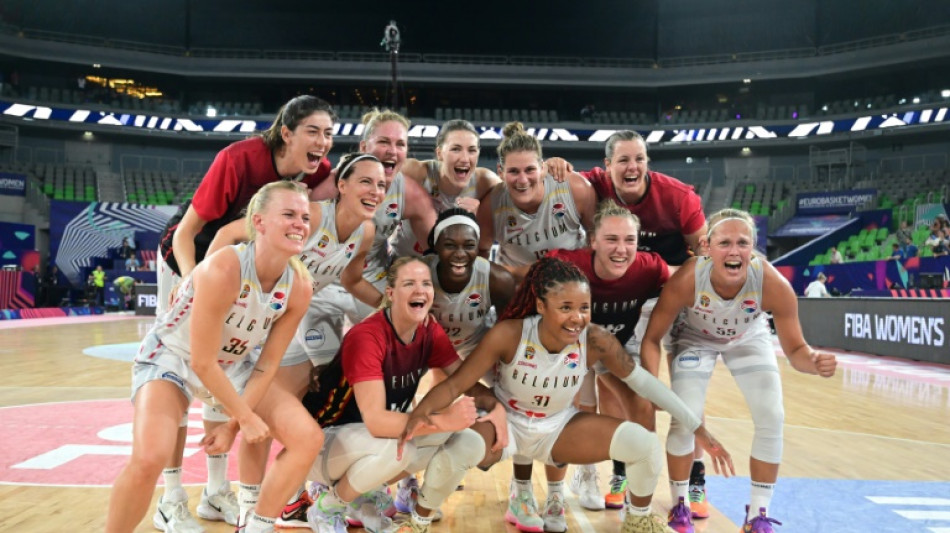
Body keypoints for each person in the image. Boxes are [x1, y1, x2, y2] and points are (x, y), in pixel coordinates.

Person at [401, 257, 734, 533]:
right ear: (541, 305)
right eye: (566, 307)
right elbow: (454, 384)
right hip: (508, 427)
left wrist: (697, 428)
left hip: (559, 427)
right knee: (463, 446)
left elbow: (644, 384)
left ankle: (637, 520)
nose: (577, 317)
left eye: (584, 307)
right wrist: (417, 416)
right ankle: (418, 520)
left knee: (644, 445)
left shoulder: (596, 340)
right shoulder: (509, 334)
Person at [151, 95, 335, 528]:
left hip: (246, 273)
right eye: (313, 131)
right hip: (189, 261)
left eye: (329, 134)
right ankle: (171, 495)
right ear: (286, 132)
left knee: (228, 363)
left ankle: (216, 492)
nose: (323, 142)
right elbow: (187, 231)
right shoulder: (239, 158)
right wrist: (191, 283)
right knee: (178, 371)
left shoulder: (318, 172)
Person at [105, 181, 318, 533]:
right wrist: (245, 417)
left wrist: (234, 425)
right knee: (149, 458)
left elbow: (266, 364)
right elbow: (201, 362)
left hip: (232, 365)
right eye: (289, 214)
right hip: (173, 357)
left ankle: (257, 525)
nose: (300, 223)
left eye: (306, 217)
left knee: (307, 438)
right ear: (259, 222)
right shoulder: (225, 267)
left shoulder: (299, 285)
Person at [206, 153, 386, 528]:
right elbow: (228, 234)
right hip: (252, 317)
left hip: (290, 319)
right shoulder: (312, 216)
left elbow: (352, 281)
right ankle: (249, 507)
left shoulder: (365, 231)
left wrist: (389, 304)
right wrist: (200, 284)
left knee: (286, 414)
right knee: (257, 418)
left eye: (382, 184)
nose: (375, 190)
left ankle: (282, 502)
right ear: (342, 185)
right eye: (366, 181)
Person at [639, 208, 837, 533]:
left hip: (748, 337)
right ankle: (679, 503)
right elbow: (651, 338)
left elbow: (796, 351)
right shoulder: (689, 277)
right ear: (706, 247)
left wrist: (813, 361)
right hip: (694, 338)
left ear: (753, 249)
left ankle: (757, 515)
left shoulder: (772, 283)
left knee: (772, 416)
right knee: (686, 416)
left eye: (743, 243)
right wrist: (652, 385)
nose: (734, 251)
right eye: (725, 242)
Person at [546, 130, 709, 514]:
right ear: (608, 166)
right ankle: (622, 470)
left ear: (648, 162)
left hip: (670, 290)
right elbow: (563, 181)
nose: (632, 166)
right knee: (621, 394)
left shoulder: (679, 197)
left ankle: (693, 480)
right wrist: (552, 166)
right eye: (623, 160)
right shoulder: (594, 188)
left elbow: (704, 255)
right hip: (622, 299)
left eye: (639, 159)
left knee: (687, 390)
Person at [301, 257, 506, 533]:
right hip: (321, 444)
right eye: (409, 284)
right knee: (400, 448)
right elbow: (377, 422)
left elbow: (463, 379)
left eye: (425, 284)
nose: (420, 290)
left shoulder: (428, 331)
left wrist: (497, 407)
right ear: (390, 293)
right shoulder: (368, 337)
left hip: (363, 441)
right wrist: (443, 420)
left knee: (465, 439)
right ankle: (329, 505)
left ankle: (374, 498)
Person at [548, 199, 670, 512]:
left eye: (629, 240)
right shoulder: (566, 263)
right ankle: (581, 475)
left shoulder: (650, 267)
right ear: (593, 242)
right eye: (612, 239)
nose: (621, 249)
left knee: (643, 407)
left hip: (615, 347)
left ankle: (637, 495)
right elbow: (527, 280)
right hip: (571, 345)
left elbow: (685, 278)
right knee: (577, 405)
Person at [476, 121, 596, 280]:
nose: (523, 180)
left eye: (530, 170)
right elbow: (480, 253)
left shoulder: (575, 188)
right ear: (500, 172)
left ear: (543, 167)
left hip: (571, 280)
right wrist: (511, 274)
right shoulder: (491, 206)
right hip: (517, 284)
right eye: (513, 171)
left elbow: (597, 239)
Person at [390, 118, 502, 257]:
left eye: (472, 150)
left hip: (452, 270)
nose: (465, 158)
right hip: (404, 265)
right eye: (456, 149)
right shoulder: (416, 172)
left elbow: (517, 212)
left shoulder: (485, 182)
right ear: (439, 153)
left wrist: (482, 217)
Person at [425, 207, 515, 358]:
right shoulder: (418, 272)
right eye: (450, 245)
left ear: (477, 247)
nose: (460, 254)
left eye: (469, 246)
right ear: (436, 246)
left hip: (475, 345)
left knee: (508, 377)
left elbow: (508, 330)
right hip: (426, 345)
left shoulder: (498, 280)